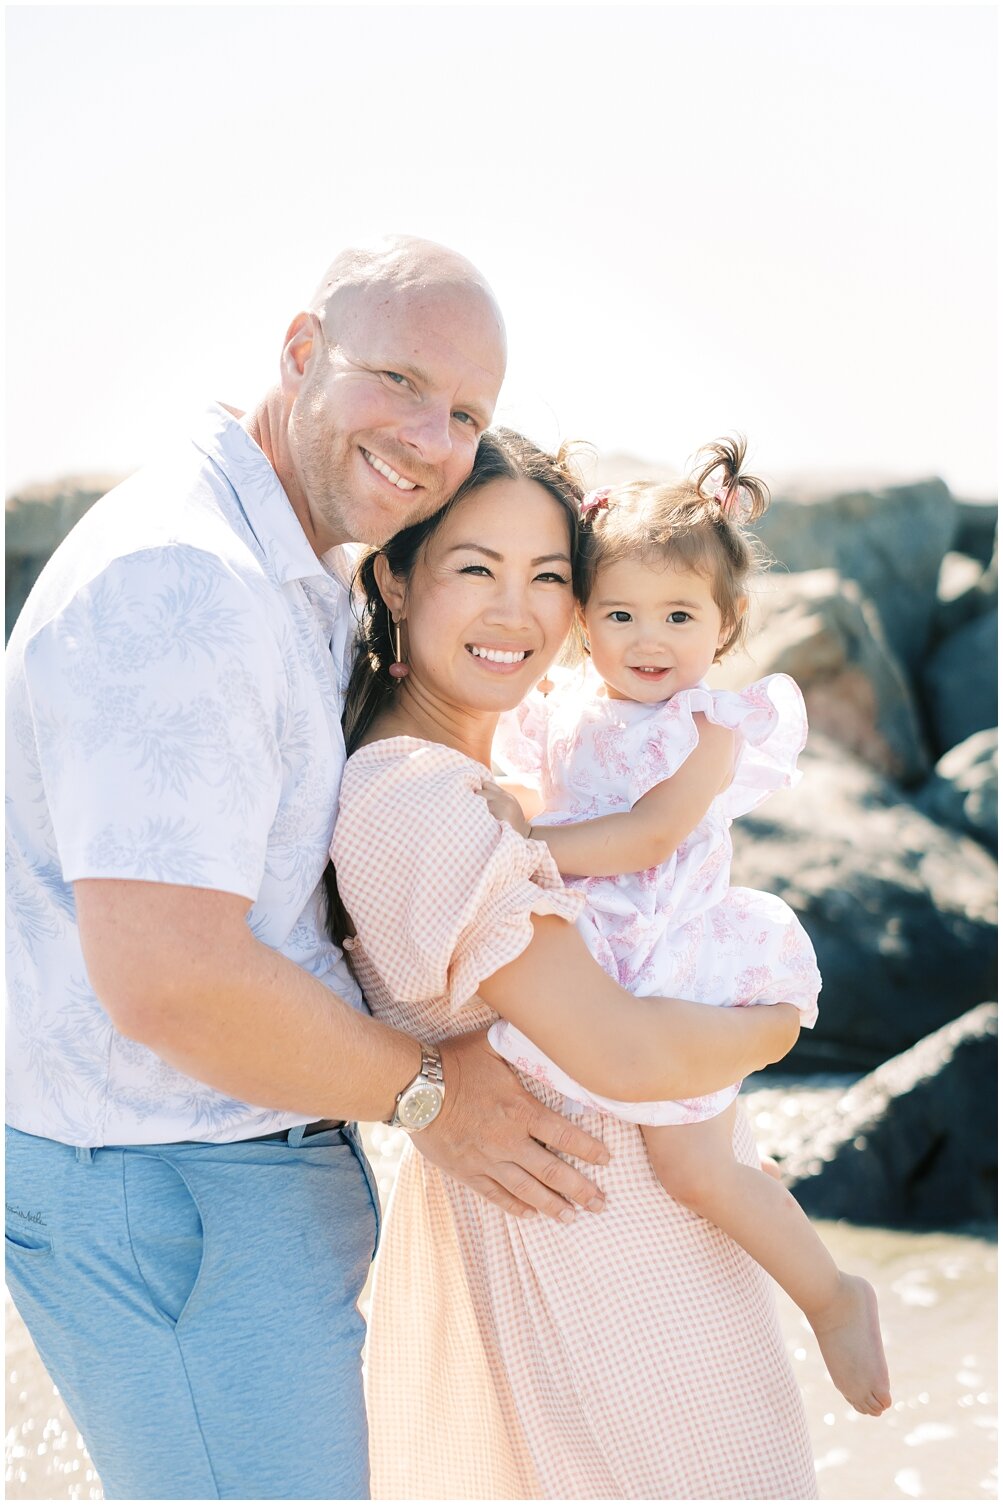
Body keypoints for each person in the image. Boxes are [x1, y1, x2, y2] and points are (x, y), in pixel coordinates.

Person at [5, 236, 629, 1502]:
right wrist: (427, 1095)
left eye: (465, 413)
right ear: (300, 353)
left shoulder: (285, 562)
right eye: (398, 379)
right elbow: (169, 976)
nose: (428, 436)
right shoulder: (182, 579)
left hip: (221, 1181)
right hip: (172, 1189)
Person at [330, 428, 816, 1500]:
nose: (519, 610)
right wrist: (781, 1021)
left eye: (549, 575)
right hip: (596, 1264)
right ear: (395, 582)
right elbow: (627, 1048)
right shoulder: (417, 791)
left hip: (633, 1239)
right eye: (475, 568)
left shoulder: (493, 766)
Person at [483, 436, 891, 1418]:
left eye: (677, 614)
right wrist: (505, 807)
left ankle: (833, 1294)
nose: (647, 636)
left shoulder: (709, 725)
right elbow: (530, 787)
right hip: (596, 954)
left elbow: (649, 831)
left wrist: (526, 840)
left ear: (727, 623)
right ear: (581, 619)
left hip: (682, 953)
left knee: (694, 1165)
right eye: (619, 612)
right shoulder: (563, 711)